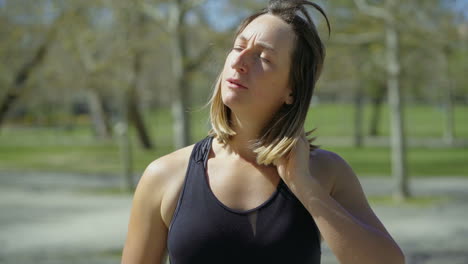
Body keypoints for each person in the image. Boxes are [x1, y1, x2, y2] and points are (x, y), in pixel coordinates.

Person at [121, 0, 405, 263]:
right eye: (238, 46)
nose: (240, 61)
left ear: (291, 90)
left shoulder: (326, 172)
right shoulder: (165, 175)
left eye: (264, 58)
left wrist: (305, 187)